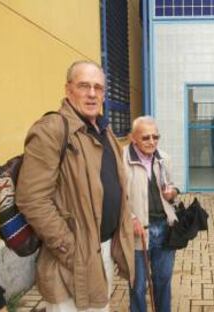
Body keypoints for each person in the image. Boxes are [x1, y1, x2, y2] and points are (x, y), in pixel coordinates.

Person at [16, 60, 134, 311]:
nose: (92, 94)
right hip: (69, 263)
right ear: (68, 90)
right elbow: (31, 199)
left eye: (98, 88)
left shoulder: (104, 131)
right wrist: (70, 248)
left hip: (101, 252)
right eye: (84, 86)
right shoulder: (51, 130)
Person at [122, 116, 179, 312]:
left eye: (156, 137)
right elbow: (116, 198)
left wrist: (173, 194)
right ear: (133, 138)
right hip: (138, 233)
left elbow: (174, 191)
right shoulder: (121, 160)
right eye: (146, 137)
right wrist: (130, 219)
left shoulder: (164, 158)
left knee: (163, 282)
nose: (152, 141)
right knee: (137, 287)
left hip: (164, 229)